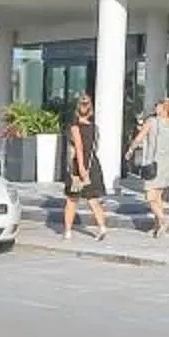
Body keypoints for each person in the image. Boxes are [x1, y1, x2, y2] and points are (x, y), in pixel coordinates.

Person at [60, 95, 108, 240]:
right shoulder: (94, 128)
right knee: (93, 199)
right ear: (90, 110)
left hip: (78, 166)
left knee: (71, 200)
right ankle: (102, 227)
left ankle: (68, 231)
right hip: (93, 165)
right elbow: (94, 148)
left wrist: (81, 168)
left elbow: (79, 148)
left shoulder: (75, 127)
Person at [140, 98, 169, 238]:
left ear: (164, 109)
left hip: (153, 163)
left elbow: (140, 137)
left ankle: (164, 220)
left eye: (158, 106)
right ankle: (157, 225)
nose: (155, 109)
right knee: (158, 196)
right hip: (166, 163)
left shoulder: (152, 122)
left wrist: (131, 149)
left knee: (150, 196)